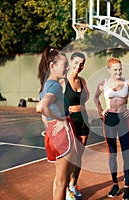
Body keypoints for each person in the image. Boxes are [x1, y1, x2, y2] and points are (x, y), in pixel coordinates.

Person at [93, 57, 129, 200]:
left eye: (120, 69)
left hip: (123, 119)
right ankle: (115, 184)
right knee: (112, 154)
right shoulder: (103, 83)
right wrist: (100, 110)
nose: (118, 71)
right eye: (115, 69)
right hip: (109, 119)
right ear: (109, 70)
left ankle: (127, 187)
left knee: (126, 154)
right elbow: (96, 97)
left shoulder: (128, 83)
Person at [37, 47, 78, 200]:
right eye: (64, 64)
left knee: (59, 180)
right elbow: (41, 107)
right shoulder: (54, 85)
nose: (67, 67)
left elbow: (43, 115)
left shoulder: (45, 84)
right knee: (63, 181)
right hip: (61, 132)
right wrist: (61, 120)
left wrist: (49, 127)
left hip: (53, 133)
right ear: (52, 66)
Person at [60, 52, 90, 199]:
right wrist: (67, 111)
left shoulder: (83, 81)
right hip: (69, 123)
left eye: (82, 64)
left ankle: (73, 184)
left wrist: (81, 108)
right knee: (69, 157)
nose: (79, 66)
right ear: (71, 62)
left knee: (79, 156)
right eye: (76, 63)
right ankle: (66, 190)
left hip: (83, 121)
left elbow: (87, 98)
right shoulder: (62, 81)